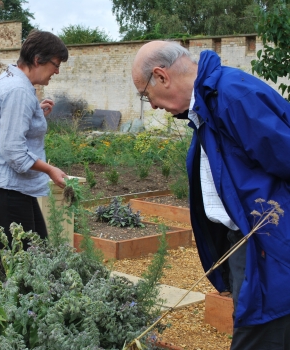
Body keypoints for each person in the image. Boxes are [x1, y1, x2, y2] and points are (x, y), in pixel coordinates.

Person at [132, 40, 290, 349]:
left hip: (268, 245)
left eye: (144, 94)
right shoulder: (208, 104)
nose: (150, 105)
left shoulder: (232, 96)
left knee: (259, 332)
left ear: (162, 76)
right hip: (245, 243)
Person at [0, 30, 68, 274]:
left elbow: (7, 121)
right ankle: (5, 310)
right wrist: (49, 170)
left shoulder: (8, 78)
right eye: (55, 65)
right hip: (7, 188)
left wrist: (34, 111)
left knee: (32, 252)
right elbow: (13, 151)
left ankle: (7, 305)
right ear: (38, 60)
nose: (56, 71)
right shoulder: (19, 91)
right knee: (19, 267)